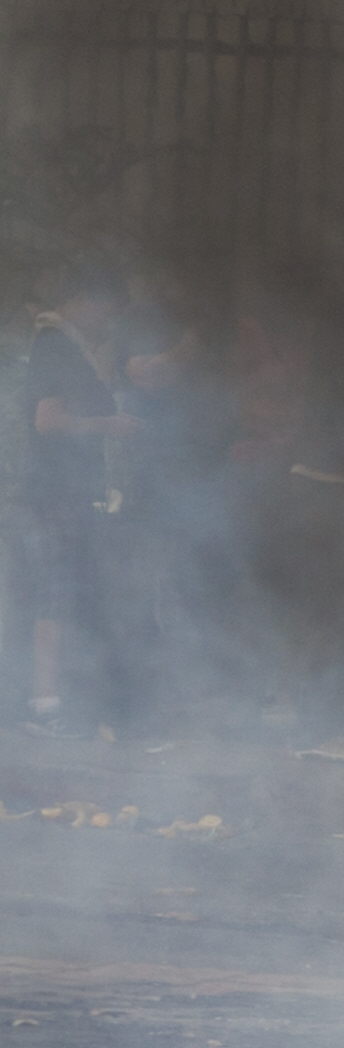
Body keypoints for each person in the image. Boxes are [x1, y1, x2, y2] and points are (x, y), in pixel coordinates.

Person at [23, 264, 139, 737]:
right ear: (87, 300)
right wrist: (109, 426)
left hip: (73, 493)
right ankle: (47, 704)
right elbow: (46, 421)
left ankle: (80, 703)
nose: (108, 318)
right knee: (58, 592)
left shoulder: (67, 346)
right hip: (57, 494)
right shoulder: (54, 345)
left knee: (80, 595)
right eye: (107, 307)